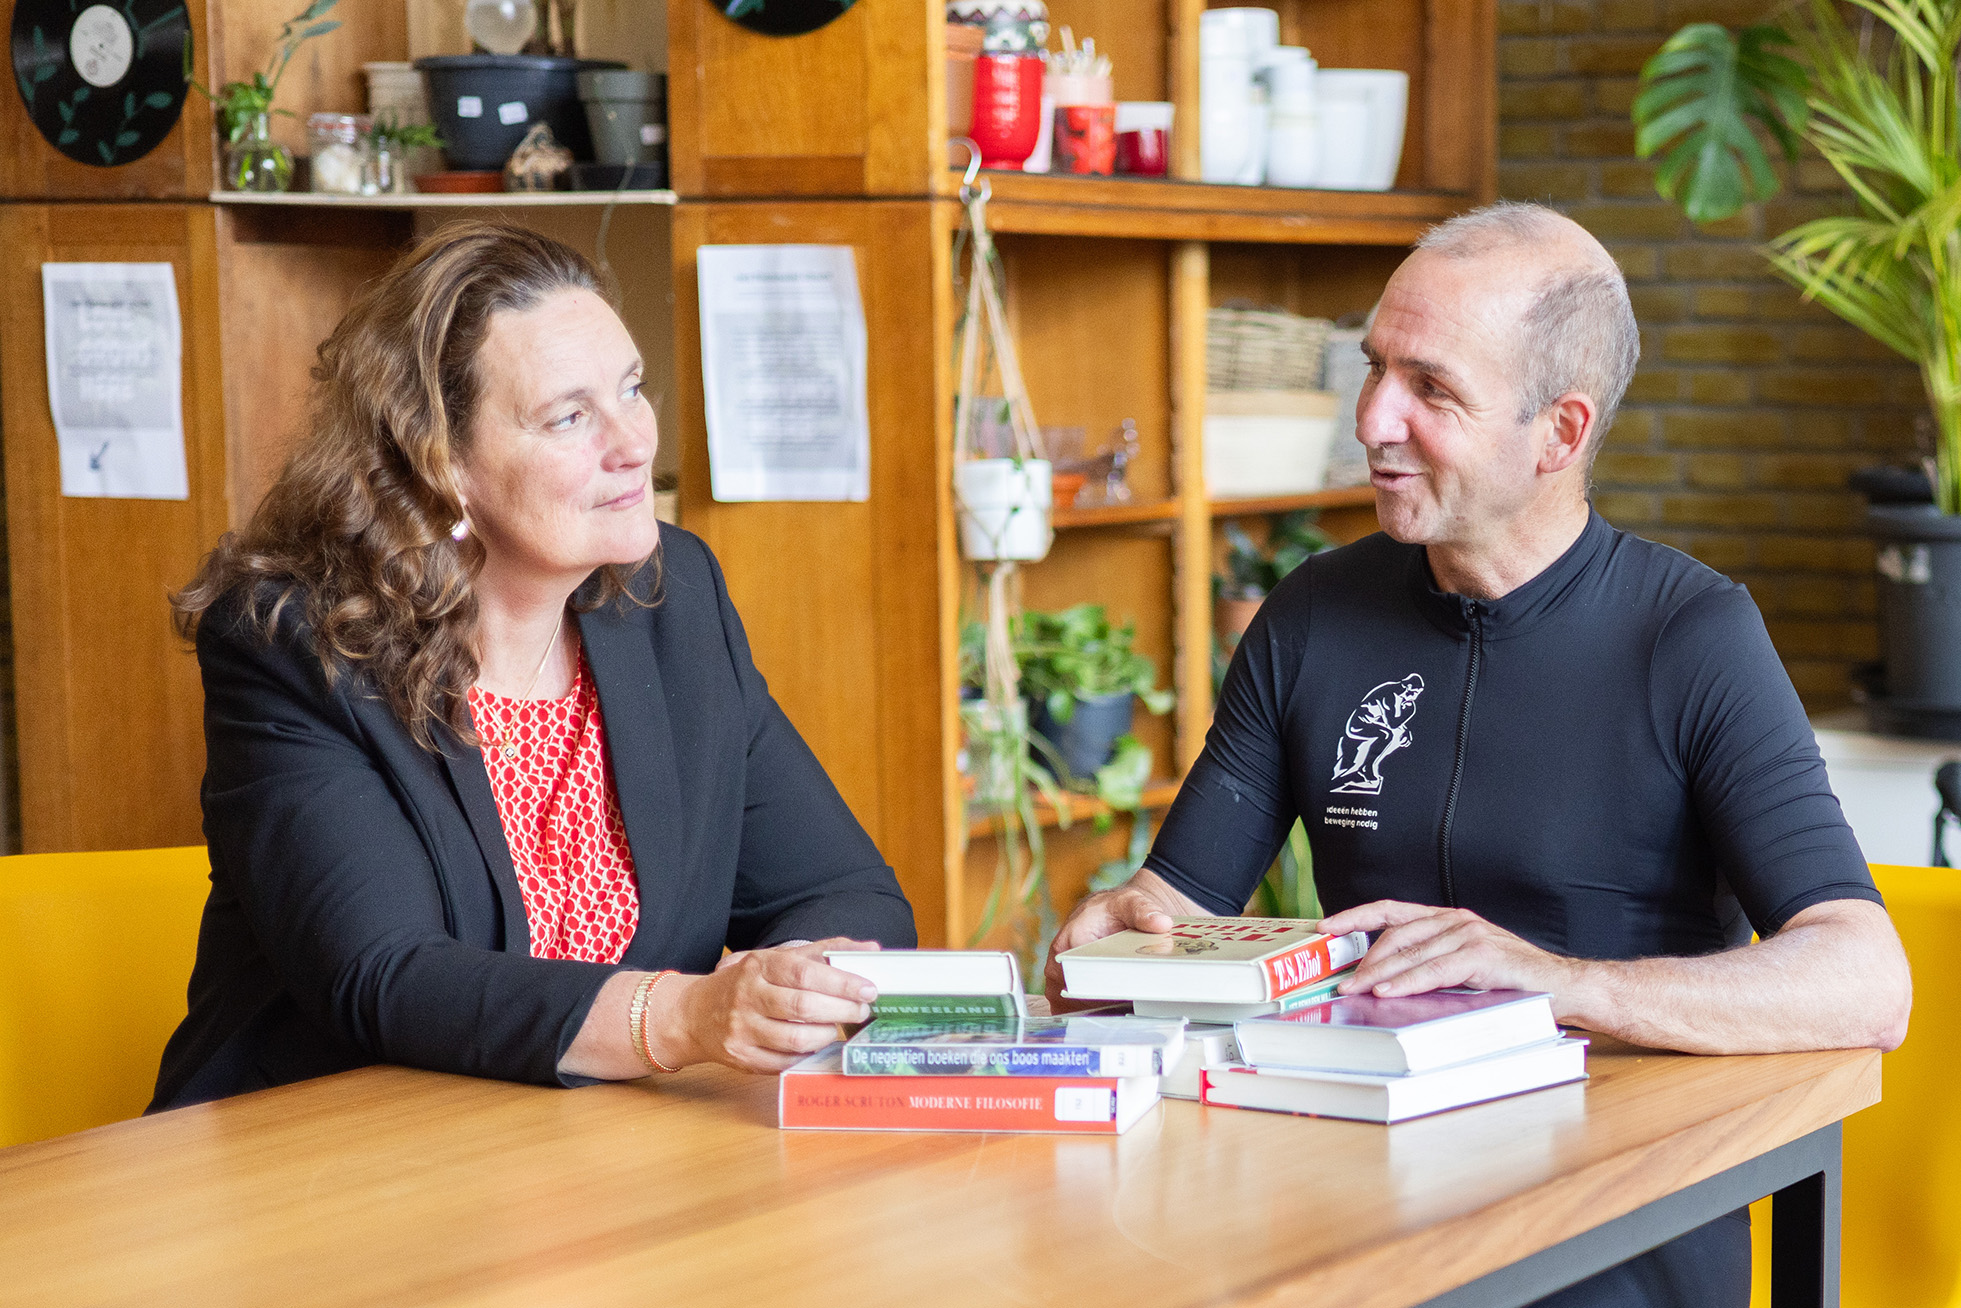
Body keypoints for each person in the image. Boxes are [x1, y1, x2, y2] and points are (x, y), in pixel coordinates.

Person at [1046, 201, 1911, 1307]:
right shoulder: (1313, 614)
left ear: (1559, 431)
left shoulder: (1688, 634)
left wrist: (1557, 985)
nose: (1370, 419)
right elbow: (1176, 902)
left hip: (1618, 1226)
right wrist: (1123, 940)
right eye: (1373, 368)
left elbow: (1863, 978)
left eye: (1430, 388)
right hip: (1354, 1208)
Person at [153, 222, 913, 1111]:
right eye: (568, 417)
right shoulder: (293, 638)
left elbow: (845, 891)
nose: (631, 441)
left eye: (630, 389)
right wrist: (685, 1017)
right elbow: (383, 976)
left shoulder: (670, 597)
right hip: (327, 1163)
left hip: (584, 1159)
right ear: (440, 467)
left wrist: (797, 983)